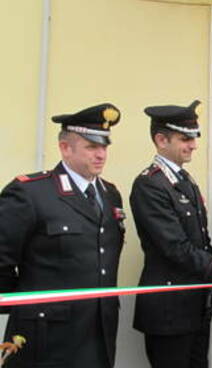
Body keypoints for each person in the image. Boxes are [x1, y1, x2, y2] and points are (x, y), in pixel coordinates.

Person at [131, 100, 212, 368]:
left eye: (194, 137)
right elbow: (175, 247)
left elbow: (202, 240)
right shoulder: (149, 185)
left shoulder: (185, 181)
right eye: (185, 138)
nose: (193, 144)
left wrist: (211, 284)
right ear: (161, 140)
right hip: (168, 309)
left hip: (196, 305)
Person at [0, 103, 126, 367]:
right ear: (65, 148)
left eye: (104, 147)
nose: (101, 154)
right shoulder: (31, 193)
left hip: (99, 331)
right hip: (46, 337)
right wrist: (27, 306)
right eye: (91, 147)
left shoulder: (110, 194)